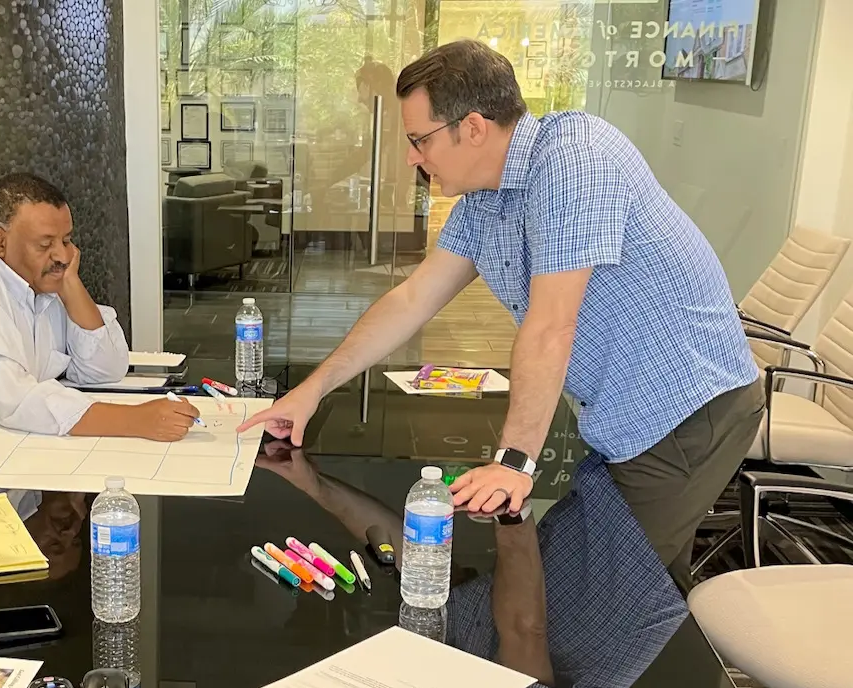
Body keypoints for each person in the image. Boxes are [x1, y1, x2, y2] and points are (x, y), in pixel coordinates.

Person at [239, 39, 763, 590]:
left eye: (420, 140)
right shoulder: (485, 201)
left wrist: (513, 461)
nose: (413, 158)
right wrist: (314, 389)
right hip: (623, 415)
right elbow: (410, 300)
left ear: (471, 128)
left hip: (688, 414)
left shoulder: (575, 160)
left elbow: (551, 326)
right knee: (619, 591)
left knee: (607, 598)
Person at [0, 173, 199, 478]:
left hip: (10, 459)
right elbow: (16, 400)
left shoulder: (43, 281)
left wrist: (72, 286)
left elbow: (104, 369)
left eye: (67, 240)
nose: (63, 255)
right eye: (45, 244)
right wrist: (136, 421)